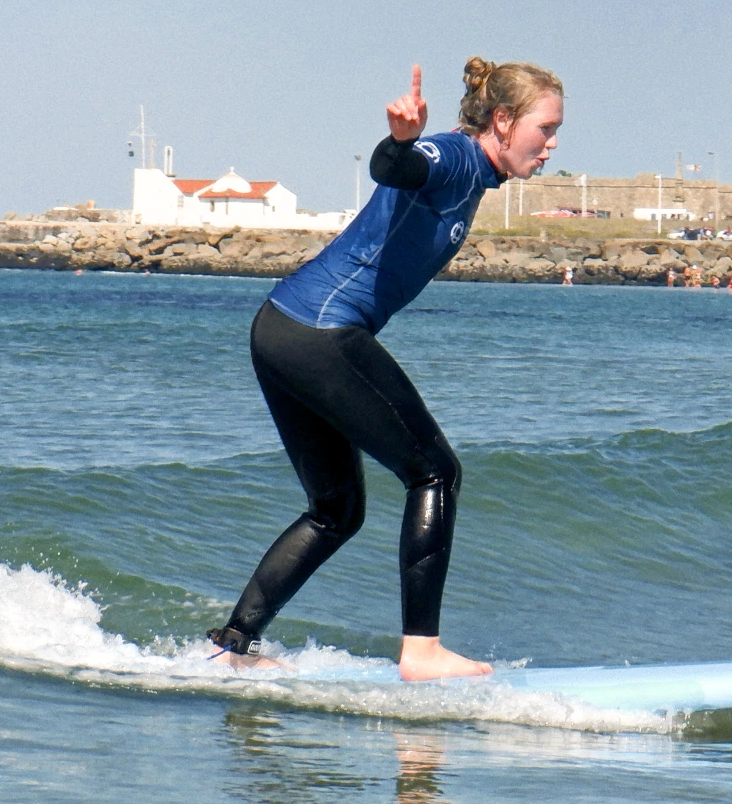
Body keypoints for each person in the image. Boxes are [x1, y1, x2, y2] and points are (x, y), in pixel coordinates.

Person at [207, 58, 564, 680]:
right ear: (503, 121)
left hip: (282, 328)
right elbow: (398, 168)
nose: (552, 144)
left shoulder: (475, 175)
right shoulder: (455, 157)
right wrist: (399, 142)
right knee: (436, 472)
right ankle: (422, 651)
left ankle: (234, 645)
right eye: (546, 128)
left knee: (336, 509)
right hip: (320, 330)